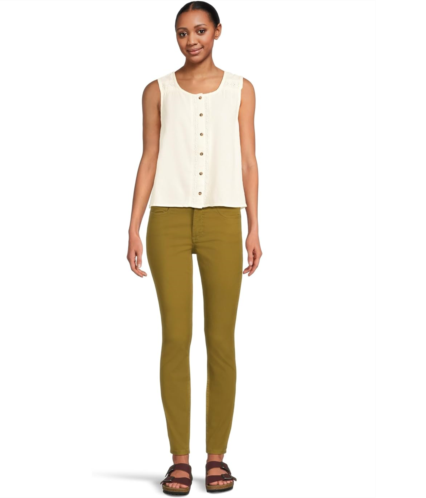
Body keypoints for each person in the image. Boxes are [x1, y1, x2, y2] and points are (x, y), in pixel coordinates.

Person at [127, 1, 262, 494]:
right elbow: (149, 157)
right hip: (166, 219)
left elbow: (248, 159)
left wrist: (253, 226)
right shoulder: (157, 90)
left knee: (221, 339)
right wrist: (133, 226)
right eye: (183, 33)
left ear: (218, 31)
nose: (192, 40)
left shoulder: (241, 89)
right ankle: (179, 460)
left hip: (224, 218)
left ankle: (217, 458)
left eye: (200, 30)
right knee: (175, 338)